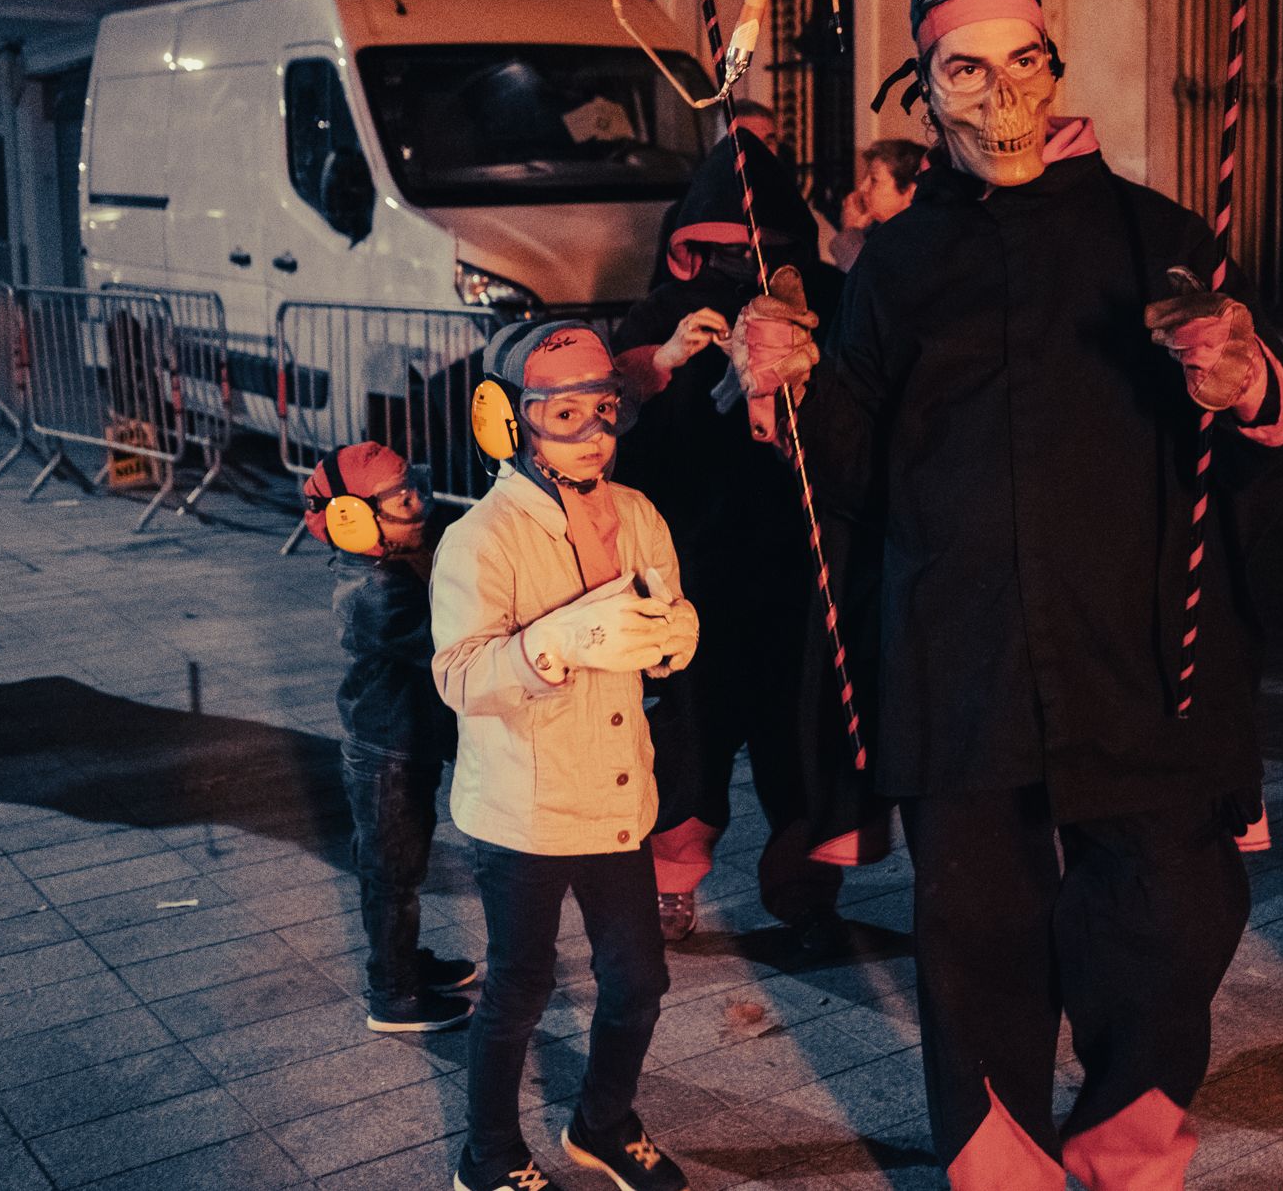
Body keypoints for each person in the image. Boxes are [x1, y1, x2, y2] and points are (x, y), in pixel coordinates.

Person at [725, 0, 1283, 1189]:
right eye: (964, 69)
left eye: (1022, 61)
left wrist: (1245, 384)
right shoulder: (896, 266)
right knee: (978, 940)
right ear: (923, 95)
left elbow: (1255, 449)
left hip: (1143, 656)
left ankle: (1127, 1145)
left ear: (1055, 68)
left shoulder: (1158, 233)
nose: (1000, 94)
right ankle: (998, 1168)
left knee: (1167, 923)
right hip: (963, 659)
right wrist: (782, 389)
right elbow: (851, 469)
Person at [432, 322, 699, 1191]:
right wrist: (556, 641)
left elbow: (669, 608)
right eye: (565, 414)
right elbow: (459, 675)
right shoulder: (481, 539)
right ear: (508, 422)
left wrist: (672, 638)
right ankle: (490, 1150)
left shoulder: (637, 512)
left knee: (639, 977)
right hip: (523, 808)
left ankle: (602, 1120)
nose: (592, 435)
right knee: (521, 983)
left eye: (604, 411)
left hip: (618, 799)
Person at [610, 129, 862, 948]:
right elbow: (628, 433)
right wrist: (692, 379)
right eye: (714, 247)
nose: (741, 259)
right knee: (690, 731)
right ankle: (671, 879)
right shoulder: (664, 312)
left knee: (803, 731)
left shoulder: (831, 295)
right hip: (698, 564)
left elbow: (861, 415)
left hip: (800, 561)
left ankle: (804, 880)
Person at [301, 442, 475, 1034]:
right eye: (402, 496)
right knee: (391, 873)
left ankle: (405, 961)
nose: (419, 502)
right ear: (353, 522)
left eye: (414, 486)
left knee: (405, 862)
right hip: (387, 753)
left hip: (410, 742)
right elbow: (446, 643)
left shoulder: (398, 559)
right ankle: (394, 993)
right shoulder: (374, 593)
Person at [830, 138, 926, 269]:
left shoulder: (920, 239)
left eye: (874, 180)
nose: (863, 188)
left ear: (911, 191)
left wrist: (850, 231)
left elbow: (871, 279)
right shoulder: (877, 230)